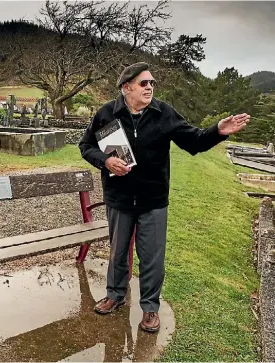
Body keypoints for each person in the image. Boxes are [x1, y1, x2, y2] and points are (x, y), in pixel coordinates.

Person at [78, 62, 250, 333]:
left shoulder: (163, 113)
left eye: (152, 83)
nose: (150, 87)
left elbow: (194, 141)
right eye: (144, 83)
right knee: (118, 251)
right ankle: (115, 295)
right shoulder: (106, 114)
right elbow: (86, 146)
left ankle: (150, 308)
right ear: (126, 87)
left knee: (152, 257)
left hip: (153, 200)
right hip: (119, 198)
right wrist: (106, 161)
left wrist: (218, 130)